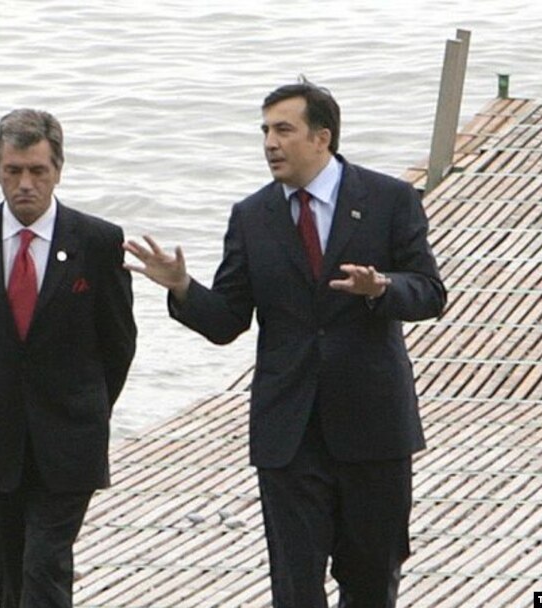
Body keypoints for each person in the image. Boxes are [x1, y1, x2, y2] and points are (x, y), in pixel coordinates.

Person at [124, 80, 446, 607]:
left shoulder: (389, 199)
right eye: (266, 131)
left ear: (322, 138)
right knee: (295, 589)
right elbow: (228, 320)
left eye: (284, 130)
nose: (271, 143)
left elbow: (430, 293)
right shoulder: (253, 216)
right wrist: (182, 287)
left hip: (372, 424)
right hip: (288, 431)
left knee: (371, 579)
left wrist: (381, 288)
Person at [0, 109, 137, 607]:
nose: (25, 184)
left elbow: (119, 343)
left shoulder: (96, 241)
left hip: (69, 435)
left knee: (44, 564)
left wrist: (84, 403)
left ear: (58, 170)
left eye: (38, 171)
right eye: (13, 171)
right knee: (9, 577)